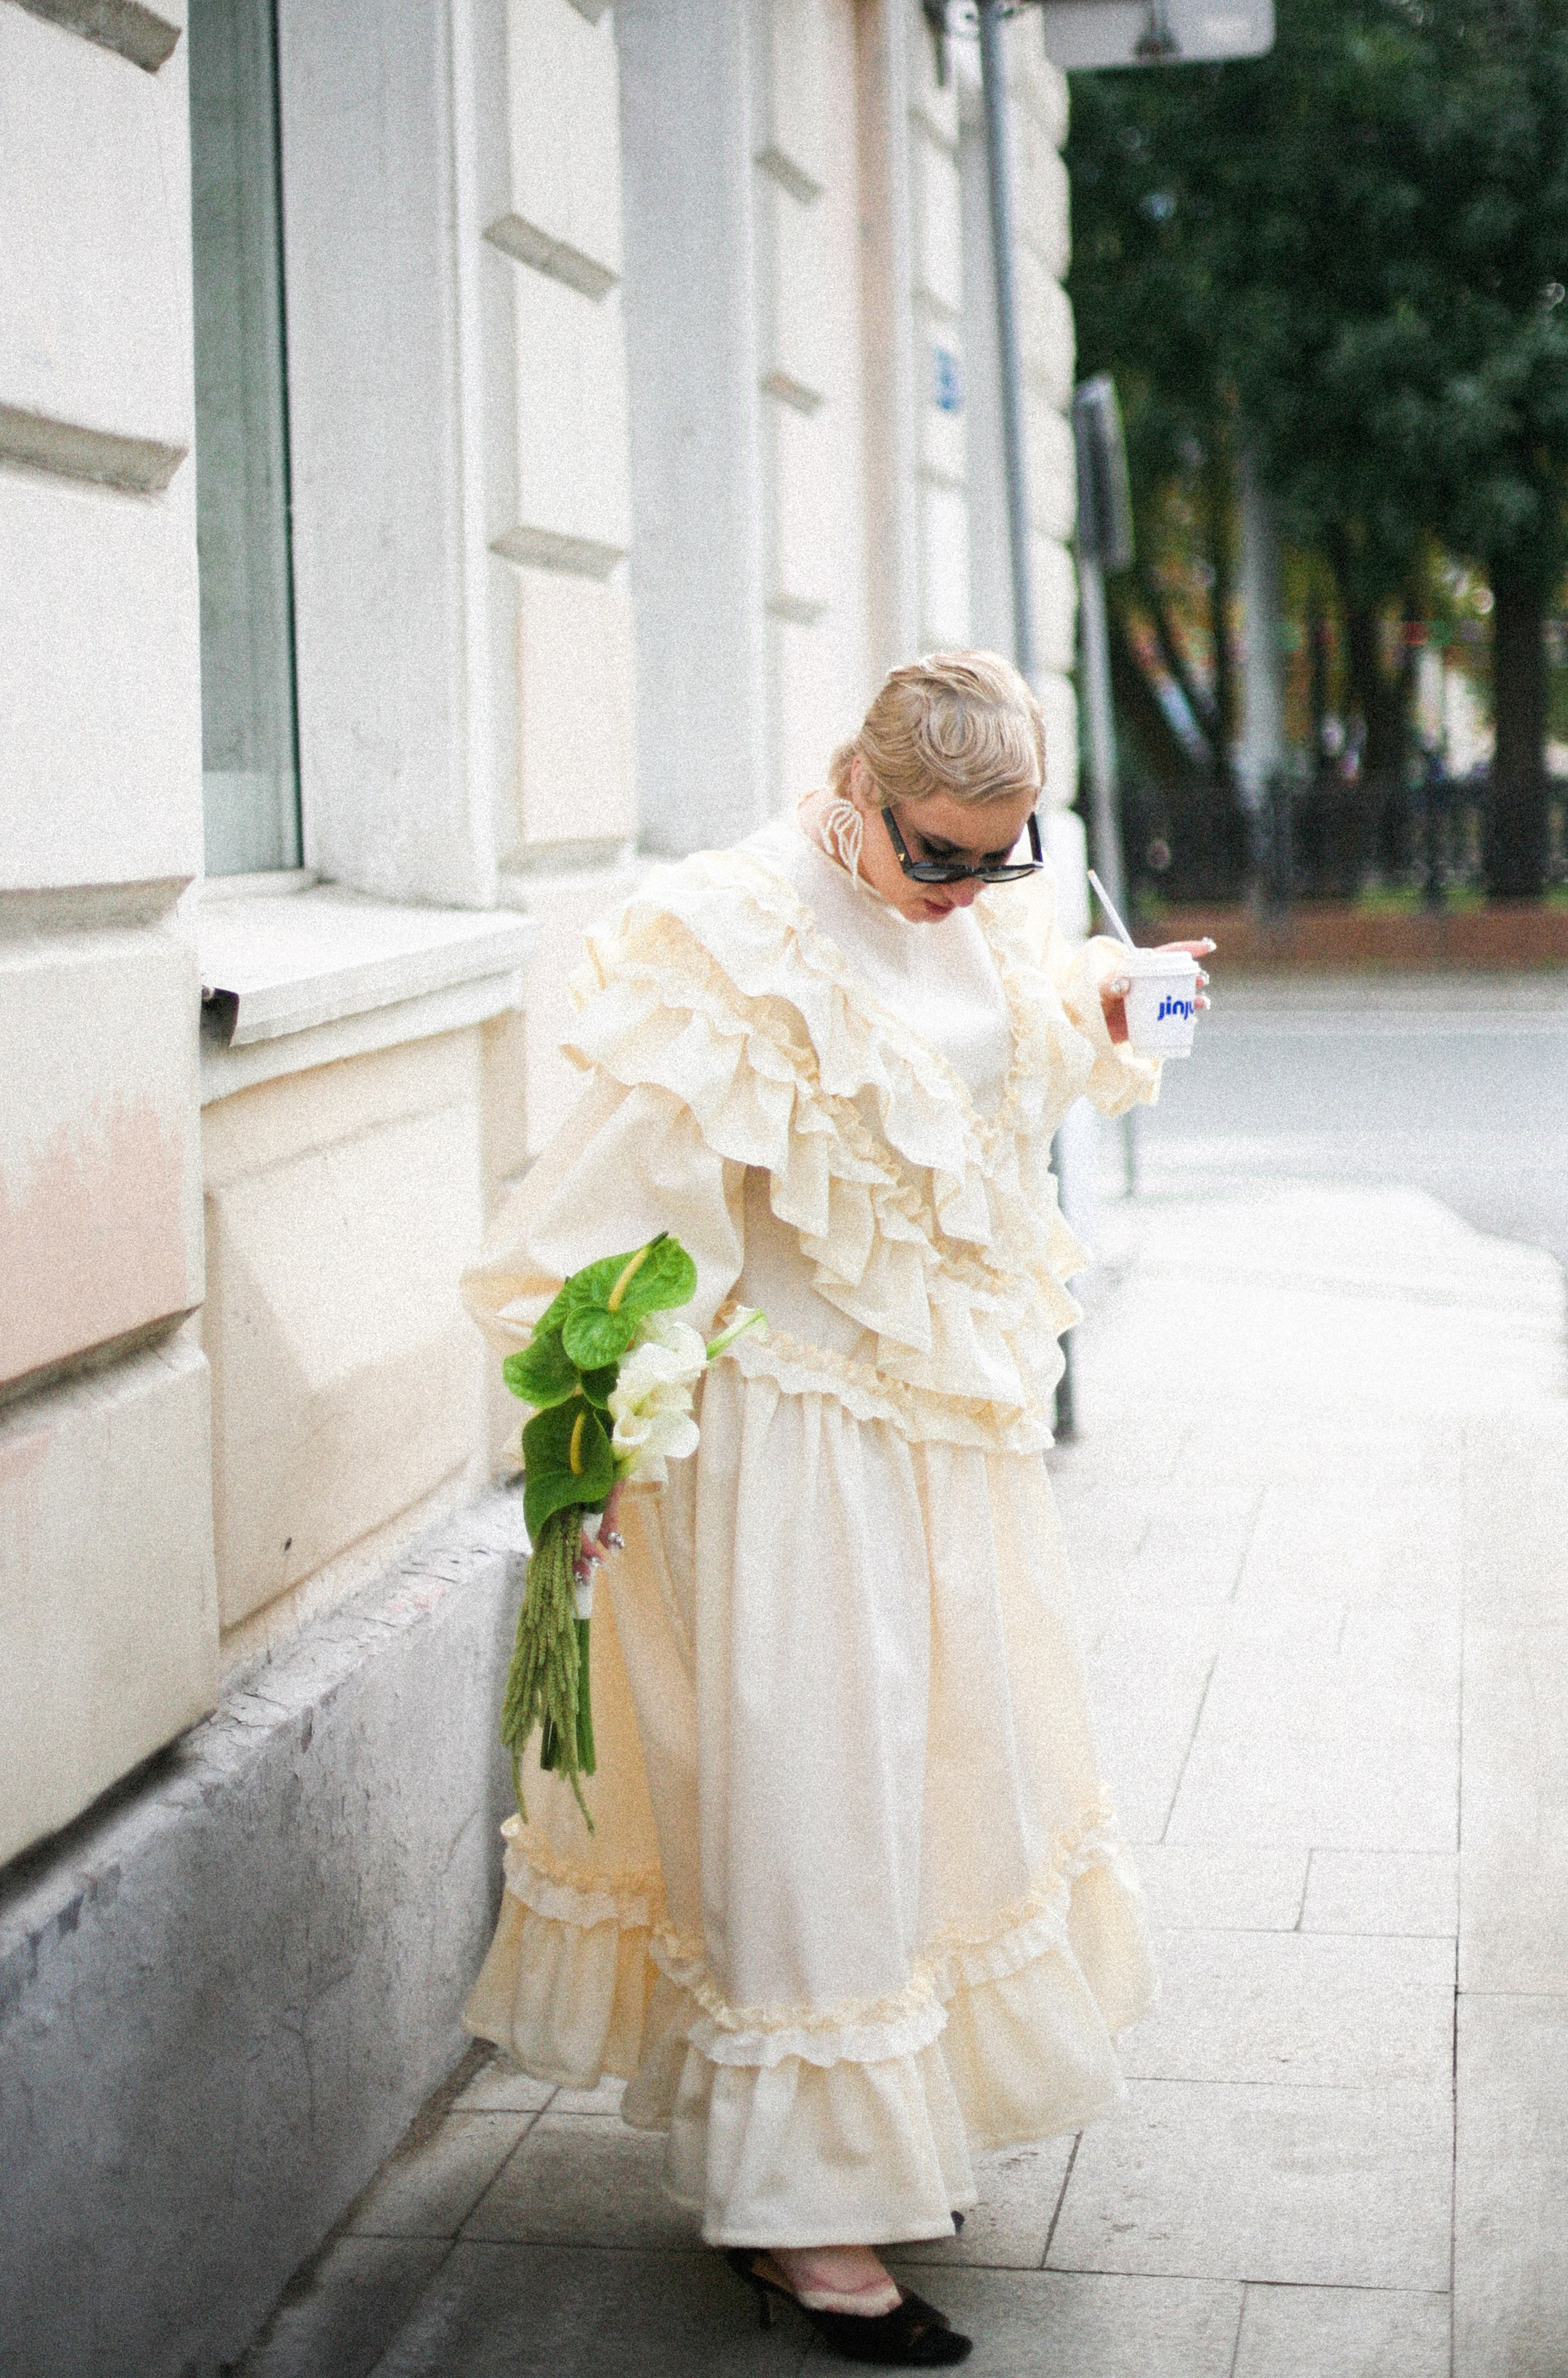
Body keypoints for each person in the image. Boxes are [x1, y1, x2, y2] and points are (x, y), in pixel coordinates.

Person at [461, 652, 1210, 2365]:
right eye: (934, 854)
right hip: (789, 1451)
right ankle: (802, 2222)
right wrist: (584, 1446)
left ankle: (871, 2136)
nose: (963, 891)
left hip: (950, 1437)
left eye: (996, 856)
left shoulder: (991, 908)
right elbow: (611, 1218)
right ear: (850, 787)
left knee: (946, 1781)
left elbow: (1018, 1050)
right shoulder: (730, 935)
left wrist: (1123, 996)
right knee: (814, 1800)